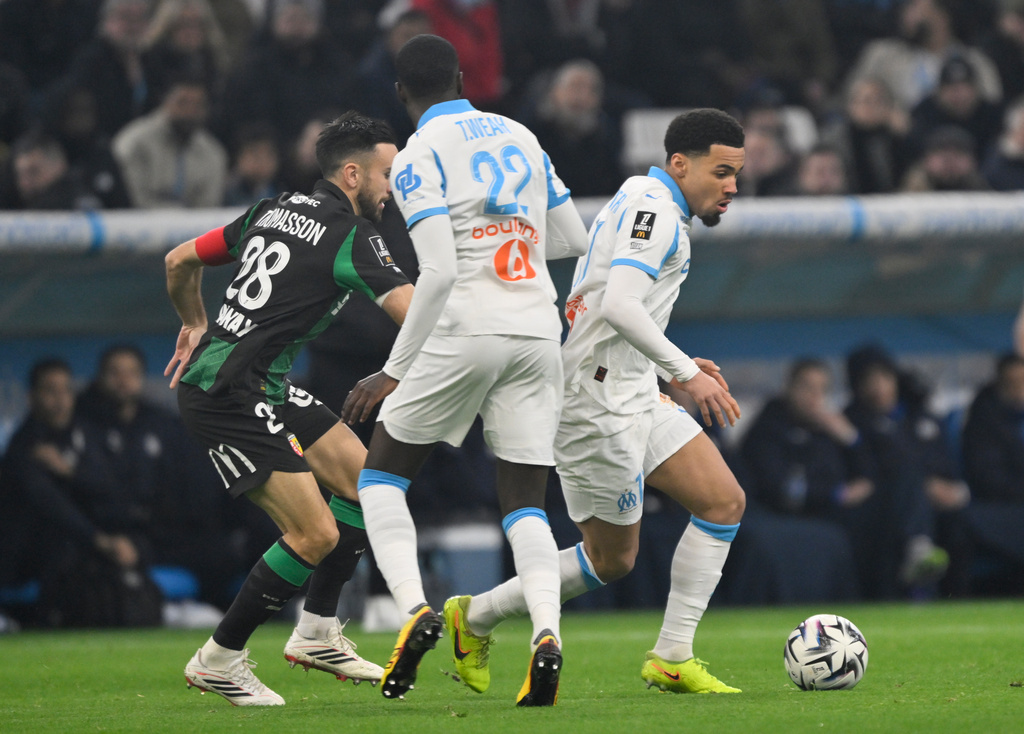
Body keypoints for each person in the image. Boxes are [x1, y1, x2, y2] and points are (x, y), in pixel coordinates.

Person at [433, 108, 747, 697]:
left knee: (723, 502)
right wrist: (684, 372)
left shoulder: (647, 199)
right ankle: (472, 616)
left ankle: (673, 655)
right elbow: (618, 307)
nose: (732, 187)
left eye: (737, 175)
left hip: (631, 387)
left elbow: (609, 303)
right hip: (593, 403)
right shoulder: (654, 213)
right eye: (722, 172)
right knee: (610, 561)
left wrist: (665, 365)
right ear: (681, 164)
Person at [341, 34, 591, 706]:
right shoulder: (520, 133)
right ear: (460, 77)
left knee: (383, 478)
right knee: (525, 505)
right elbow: (575, 239)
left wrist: (394, 370)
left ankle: (415, 610)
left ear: (402, 95)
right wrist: (518, 237)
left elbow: (442, 271)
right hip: (537, 328)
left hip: (466, 329)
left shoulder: (419, 155)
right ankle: (545, 632)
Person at [164, 111, 414, 706]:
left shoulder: (269, 210)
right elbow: (415, 315)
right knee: (314, 533)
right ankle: (218, 660)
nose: (392, 188)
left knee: (366, 483)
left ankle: (318, 632)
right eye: (386, 175)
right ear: (352, 175)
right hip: (226, 395)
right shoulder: (353, 235)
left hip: (262, 382)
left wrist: (194, 321)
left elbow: (178, 260)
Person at [112, 74, 228, 208]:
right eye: (182, 103)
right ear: (165, 102)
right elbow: (131, 197)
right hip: (138, 224)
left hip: (194, 227)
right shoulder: (135, 142)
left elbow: (208, 206)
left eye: (197, 105)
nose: (190, 111)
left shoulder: (212, 152)